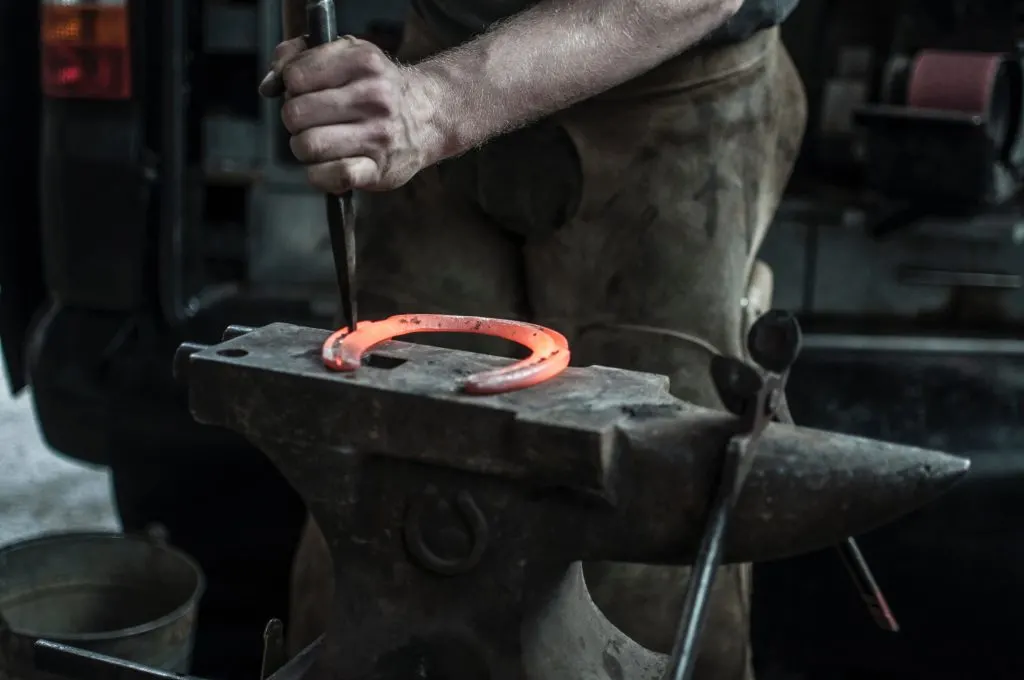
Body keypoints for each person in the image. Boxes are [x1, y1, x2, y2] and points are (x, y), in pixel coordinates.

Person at [261, 0, 806, 676]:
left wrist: (434, 108)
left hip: (672, 86)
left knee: (648, 526)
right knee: (383, 503)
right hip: (441, 47)